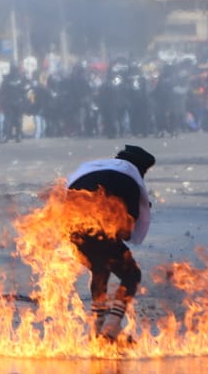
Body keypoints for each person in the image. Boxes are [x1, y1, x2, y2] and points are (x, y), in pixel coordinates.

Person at [65, 144, 155, 340]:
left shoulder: (90, 169)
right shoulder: (130, 180)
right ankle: (112, 327)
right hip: (100, 230)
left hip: (72, 229)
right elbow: (126, 229)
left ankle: (97, 326)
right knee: (131, 274)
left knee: (100, 267)